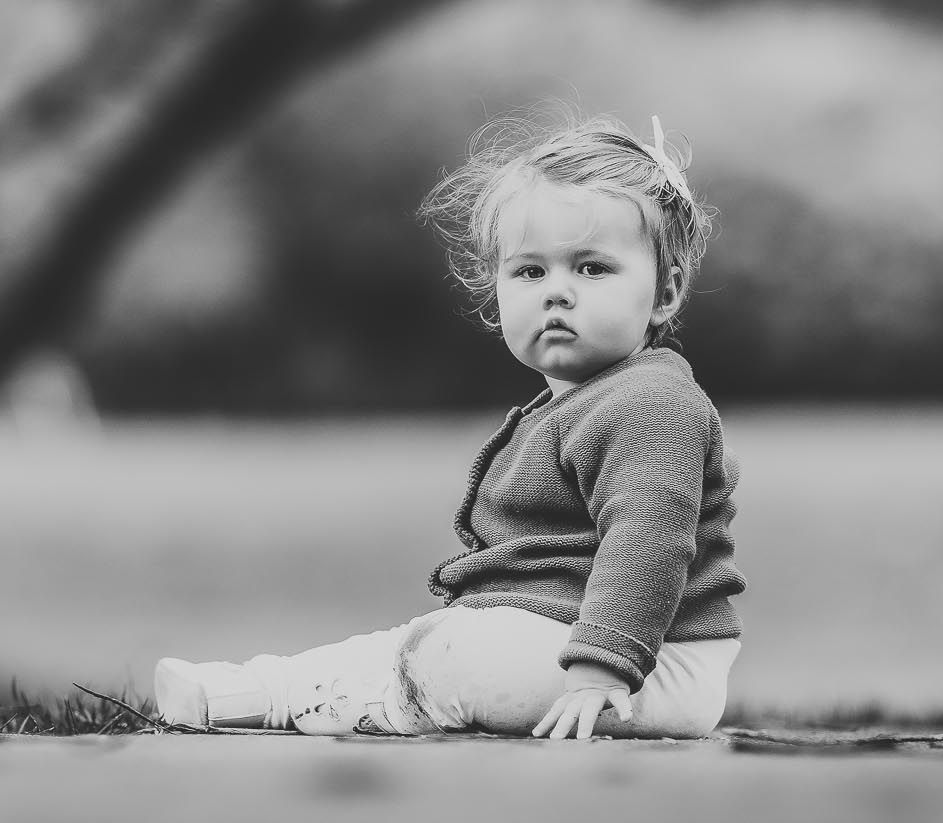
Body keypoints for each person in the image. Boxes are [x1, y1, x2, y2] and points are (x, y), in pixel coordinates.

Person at [153, 110, 745, 740]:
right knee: (415, 641)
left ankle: (372, 704)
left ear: (666, 291)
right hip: (576, 642)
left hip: (647, 668)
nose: (557, 292)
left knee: (453, 654)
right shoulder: (579, 403)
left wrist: (602, 670)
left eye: (592, 268)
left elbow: (647, 542)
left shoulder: (653, 404)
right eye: (530, 271)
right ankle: (255, 691)